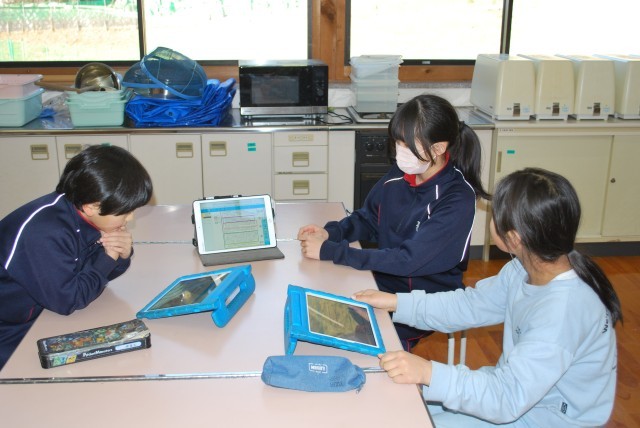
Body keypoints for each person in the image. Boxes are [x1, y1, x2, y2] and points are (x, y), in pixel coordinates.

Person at [353, 167, 622, 427]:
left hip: (541, 418)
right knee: (396, 403)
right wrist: (397, 302)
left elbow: (507, 398)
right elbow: (470, 305)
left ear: (514, 239)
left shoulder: (562, 313)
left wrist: (428, 372)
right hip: (518, 399)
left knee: (403, 414)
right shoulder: (524, 269)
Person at [298, 94, 490, 350]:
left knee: (357, 351)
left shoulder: (456, 199)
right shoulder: (402, 173)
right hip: (380, 281)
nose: (400, 151)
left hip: (420, 303)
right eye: (398, 142)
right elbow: (368, 218)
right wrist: (331, 234)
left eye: (407, 144)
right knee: (312, 312)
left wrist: (331, 252)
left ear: (438, 148)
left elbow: (408, 260)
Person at [0, 145, 153, 370]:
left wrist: (120, 255)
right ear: (92, 206)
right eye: (125, 212)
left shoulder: (83, 215)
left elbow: (95, 273)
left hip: (40, 314)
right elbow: (69, 300)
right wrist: (109, 256)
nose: (129, 219)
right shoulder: (44, 234)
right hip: (11, 328)